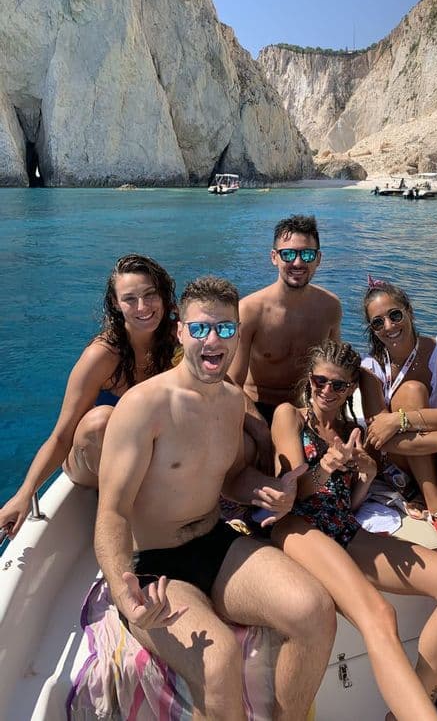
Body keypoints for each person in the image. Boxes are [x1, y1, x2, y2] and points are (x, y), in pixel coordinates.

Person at [94, 275, 336, 721]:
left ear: (237, 335)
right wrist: (123, 593)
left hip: (215, 541)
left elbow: (230, 478)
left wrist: (263, 491)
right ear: (181, 331)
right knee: (218, 659)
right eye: (201, 328)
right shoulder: (143, 406)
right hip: (155, 563)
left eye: (225, 329)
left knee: (315, 610)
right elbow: (111, 512)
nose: (213, 340)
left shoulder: (229, 402)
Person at [271, 339, 437, 721]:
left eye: (338, 385)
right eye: (320, 381)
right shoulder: (291, 416)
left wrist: (365, 477)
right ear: (309, 379)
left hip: (343, 528)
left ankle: (407, 709)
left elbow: (346, 505)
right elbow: (294, 490)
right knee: (381, 614)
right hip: (298, 528)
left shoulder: (351, 430)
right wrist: (327, 468)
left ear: (351, 388)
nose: (326, 391)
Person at [0, 254, 177, 538]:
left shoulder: (177, 339)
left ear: (164, 296)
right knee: (102, 420)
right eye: (130, 299)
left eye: (150, 295)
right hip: (92, 460)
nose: (142, 307)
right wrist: (24, 494)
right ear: (117, 306)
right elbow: (61, 435)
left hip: (145, 456)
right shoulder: (102, 356)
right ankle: (120, 518)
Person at [360, 279, 437, 566]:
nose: (389, 327)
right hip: (407, 458)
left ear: (409, 312)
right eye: (378, 323)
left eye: (394, 315)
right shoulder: (370, 370)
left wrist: (399, 418)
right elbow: (381, 439)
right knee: (411, 391)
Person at [228, 214, 342, 428]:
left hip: (307, 411)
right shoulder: (250, 310)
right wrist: (260, 429)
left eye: (307, 255)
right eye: (288, 254)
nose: (297, 262)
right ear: (274, 257)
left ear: (318, 259)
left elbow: (338, 367)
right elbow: (233, 383)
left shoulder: (330, 307)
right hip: (257, 409)